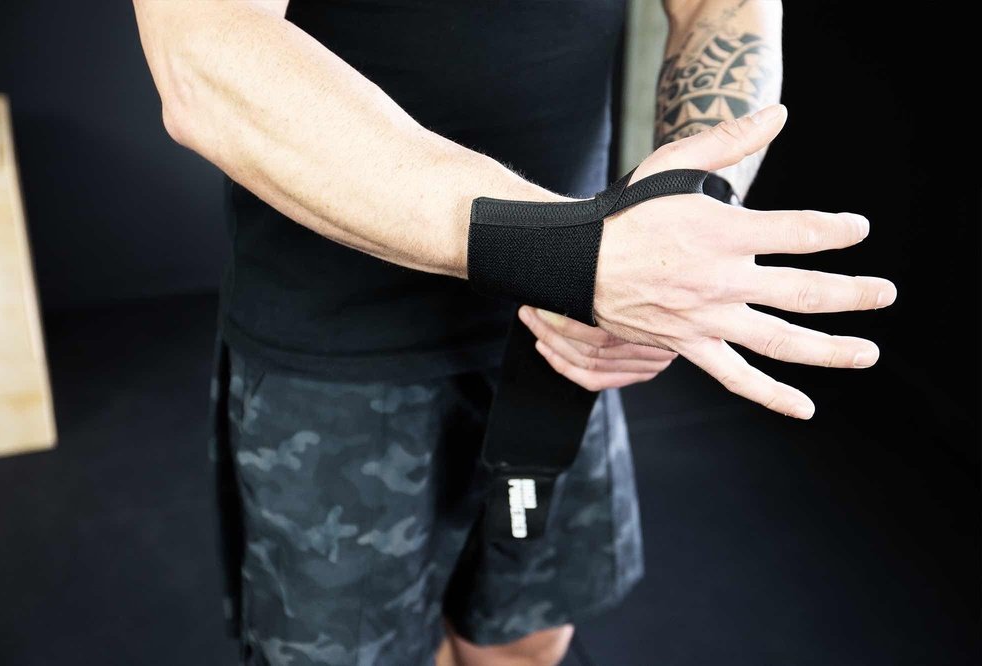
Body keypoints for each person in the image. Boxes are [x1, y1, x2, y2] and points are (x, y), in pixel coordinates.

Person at [133, 1, 896, 664]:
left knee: (524, 640)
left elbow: (720, 6)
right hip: (339, 347)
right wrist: (567, 254)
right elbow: (203, 50)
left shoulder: (601, 278)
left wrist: (689, 215)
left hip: (573, 326)